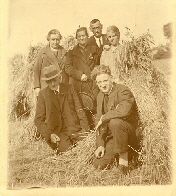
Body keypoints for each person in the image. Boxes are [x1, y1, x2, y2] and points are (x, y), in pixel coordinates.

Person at [91, 65, 138, 174]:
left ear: (112, 78)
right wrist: (101, 145)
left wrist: (104, 117)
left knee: (115, 122)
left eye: (105, 80)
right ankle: (119, 154)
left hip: (130, 134)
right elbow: (99, 123)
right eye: (99, 82)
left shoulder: (123, 90)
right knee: (99, 165)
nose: (103, 85)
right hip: (113, 136)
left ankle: (124, 162)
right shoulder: (100, 96)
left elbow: (124, 110)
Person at [34, 64, 89, 152]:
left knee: (85, 148)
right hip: (58, 133)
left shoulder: (70, 88)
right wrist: (50, 134)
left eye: (54, 80)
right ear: (46, 82)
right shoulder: (43, 94)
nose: (52, 83)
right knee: (67, 151)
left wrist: (86, 130)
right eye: (49, 81)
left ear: (59, 78)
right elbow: (38, 119)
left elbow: (80, 110)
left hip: (75, 129)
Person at [65, 27, 99, 127]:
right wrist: (80, 75)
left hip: (93, 83)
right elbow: (68, 68)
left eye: (83, 35)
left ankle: (97, 128)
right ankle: (86, 131)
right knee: (82, 107)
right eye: (79, 36)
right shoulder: (71, 53)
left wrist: (95, 73)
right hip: (80, 85)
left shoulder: (94, 49)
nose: (81, 38)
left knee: (96, 106)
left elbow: (99, 63)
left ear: (87, 36)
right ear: (76, 38)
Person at [34, 29, 68, 97]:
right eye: (53, 39)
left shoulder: (64, 52)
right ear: (48, 39)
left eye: (57, 39)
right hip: (47, 86)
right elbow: (36, 70)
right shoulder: (43, 52)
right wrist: (37, 87)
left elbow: (68, 69)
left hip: (61, 86)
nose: (55, 42)